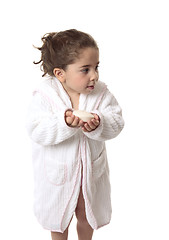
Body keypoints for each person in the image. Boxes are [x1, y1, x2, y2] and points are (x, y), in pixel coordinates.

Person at [26, 29, 124, 240]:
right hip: (58, 174)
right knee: (59, 219)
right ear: (60, 73)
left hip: (90, 172)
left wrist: (99, 123)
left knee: (86, 213)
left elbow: (116, 122)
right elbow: (36, 129)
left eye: (96, 67)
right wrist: (64, 123)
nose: (94, 76)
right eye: (85, 70)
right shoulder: (45, 96)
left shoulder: (101, 93)